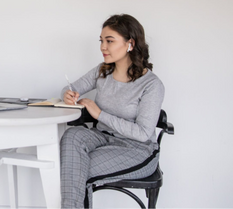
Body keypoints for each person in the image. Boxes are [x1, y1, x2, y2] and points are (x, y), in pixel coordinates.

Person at [60, 14, 164, 209]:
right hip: (102, 138)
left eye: (109, 41)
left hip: (136, 149)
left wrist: (99, 113)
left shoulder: (152, 85)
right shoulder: (102, 71)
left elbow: (142, 133)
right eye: (101, 41)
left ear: (130, 44)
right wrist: (68, 94)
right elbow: (69, 88)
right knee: (72, 135)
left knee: (73, 169)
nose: (102, 47)